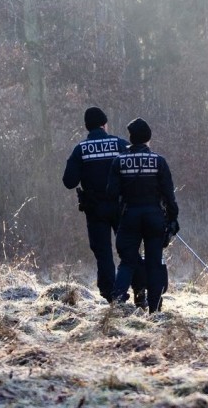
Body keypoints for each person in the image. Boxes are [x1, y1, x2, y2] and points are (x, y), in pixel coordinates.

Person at [107, 118, 178, 313]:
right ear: (148, 138)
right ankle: (154, 310)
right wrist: (172, 219)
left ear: (131, 138)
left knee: (128, 261)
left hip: (129, 216)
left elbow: (111, 194)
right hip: (154, 216)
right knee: (154, 263)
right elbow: (169, 195)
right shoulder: (159, 161)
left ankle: (117, 303)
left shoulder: (119, 162)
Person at [62, 106, 129, 303]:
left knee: (103, 252)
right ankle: (137, 290)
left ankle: (112, 295)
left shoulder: (80, 149)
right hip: (120, 207)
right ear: (104, 125)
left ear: (87, 127)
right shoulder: (120, 144)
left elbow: (69, 181)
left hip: (95, 209)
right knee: (128, 250)